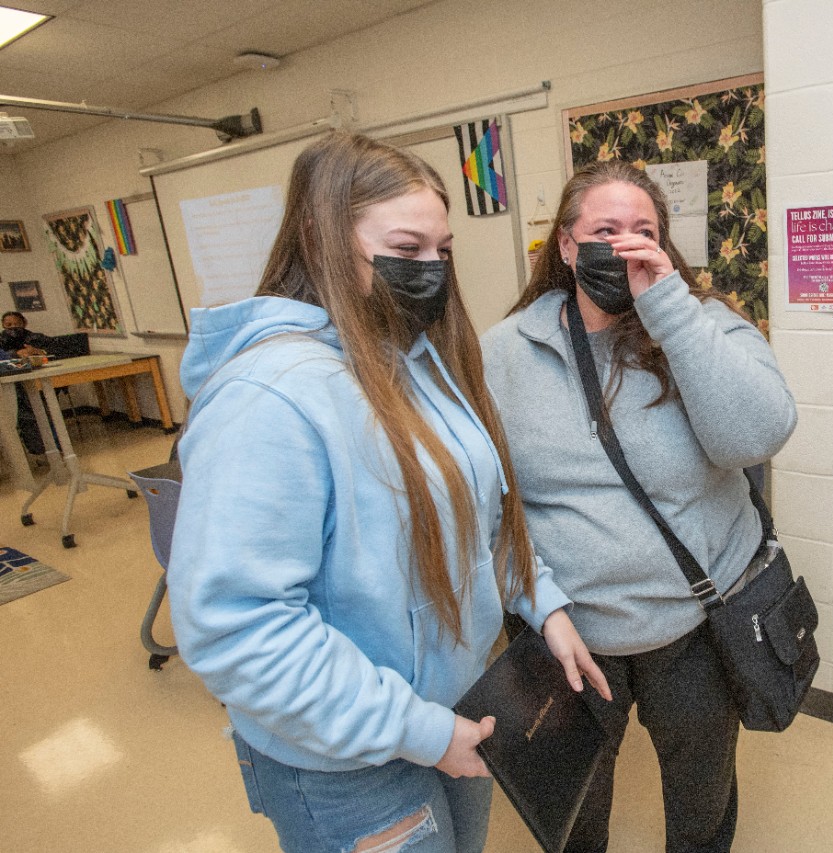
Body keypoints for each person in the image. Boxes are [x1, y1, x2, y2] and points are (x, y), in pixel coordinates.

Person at [166, 133, 608, 853]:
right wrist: (420, 731)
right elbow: (237, 627)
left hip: (457, 716)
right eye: (408, 247)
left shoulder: (415, 361)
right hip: (352, 758)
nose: (432, 270)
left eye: (444, 249)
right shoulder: (269, 397)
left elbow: (478, 521)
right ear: (320, 237)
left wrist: (543, 604)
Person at [481, 161, 797, 853]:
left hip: (694, 629)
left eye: (643, 230)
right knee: (575, 813)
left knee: (702, 798)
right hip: (568, 635)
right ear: (566, 246)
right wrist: (538, 601)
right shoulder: (501, 354)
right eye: (605, 230)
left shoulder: (703, 326)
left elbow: (757, 435)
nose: (625, 246)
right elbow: (485, 509)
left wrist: (671, 309)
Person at [2, 310, 53, 456]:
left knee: (42, 410)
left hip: (38, 382)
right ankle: (36, 450)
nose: (13, 328)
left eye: (17, 324)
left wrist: (37, 351)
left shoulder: (35, 337)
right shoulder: (2, 340)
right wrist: (15, 355)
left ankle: (50, 448)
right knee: (23, 414)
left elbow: (56, 349)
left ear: (24, 323)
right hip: (12, 384)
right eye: (8, 325)